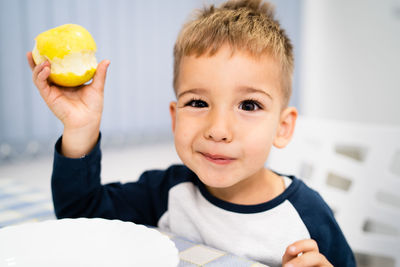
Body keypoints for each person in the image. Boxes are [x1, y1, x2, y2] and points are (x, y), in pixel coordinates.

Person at [27, 0, 355, 266]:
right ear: (174, 117)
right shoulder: (168, 190)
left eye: (249, 106)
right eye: (198, 102)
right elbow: (80, 214)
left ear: (282, 128)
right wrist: (80, 128)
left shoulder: (307, 215)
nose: (218, 130)